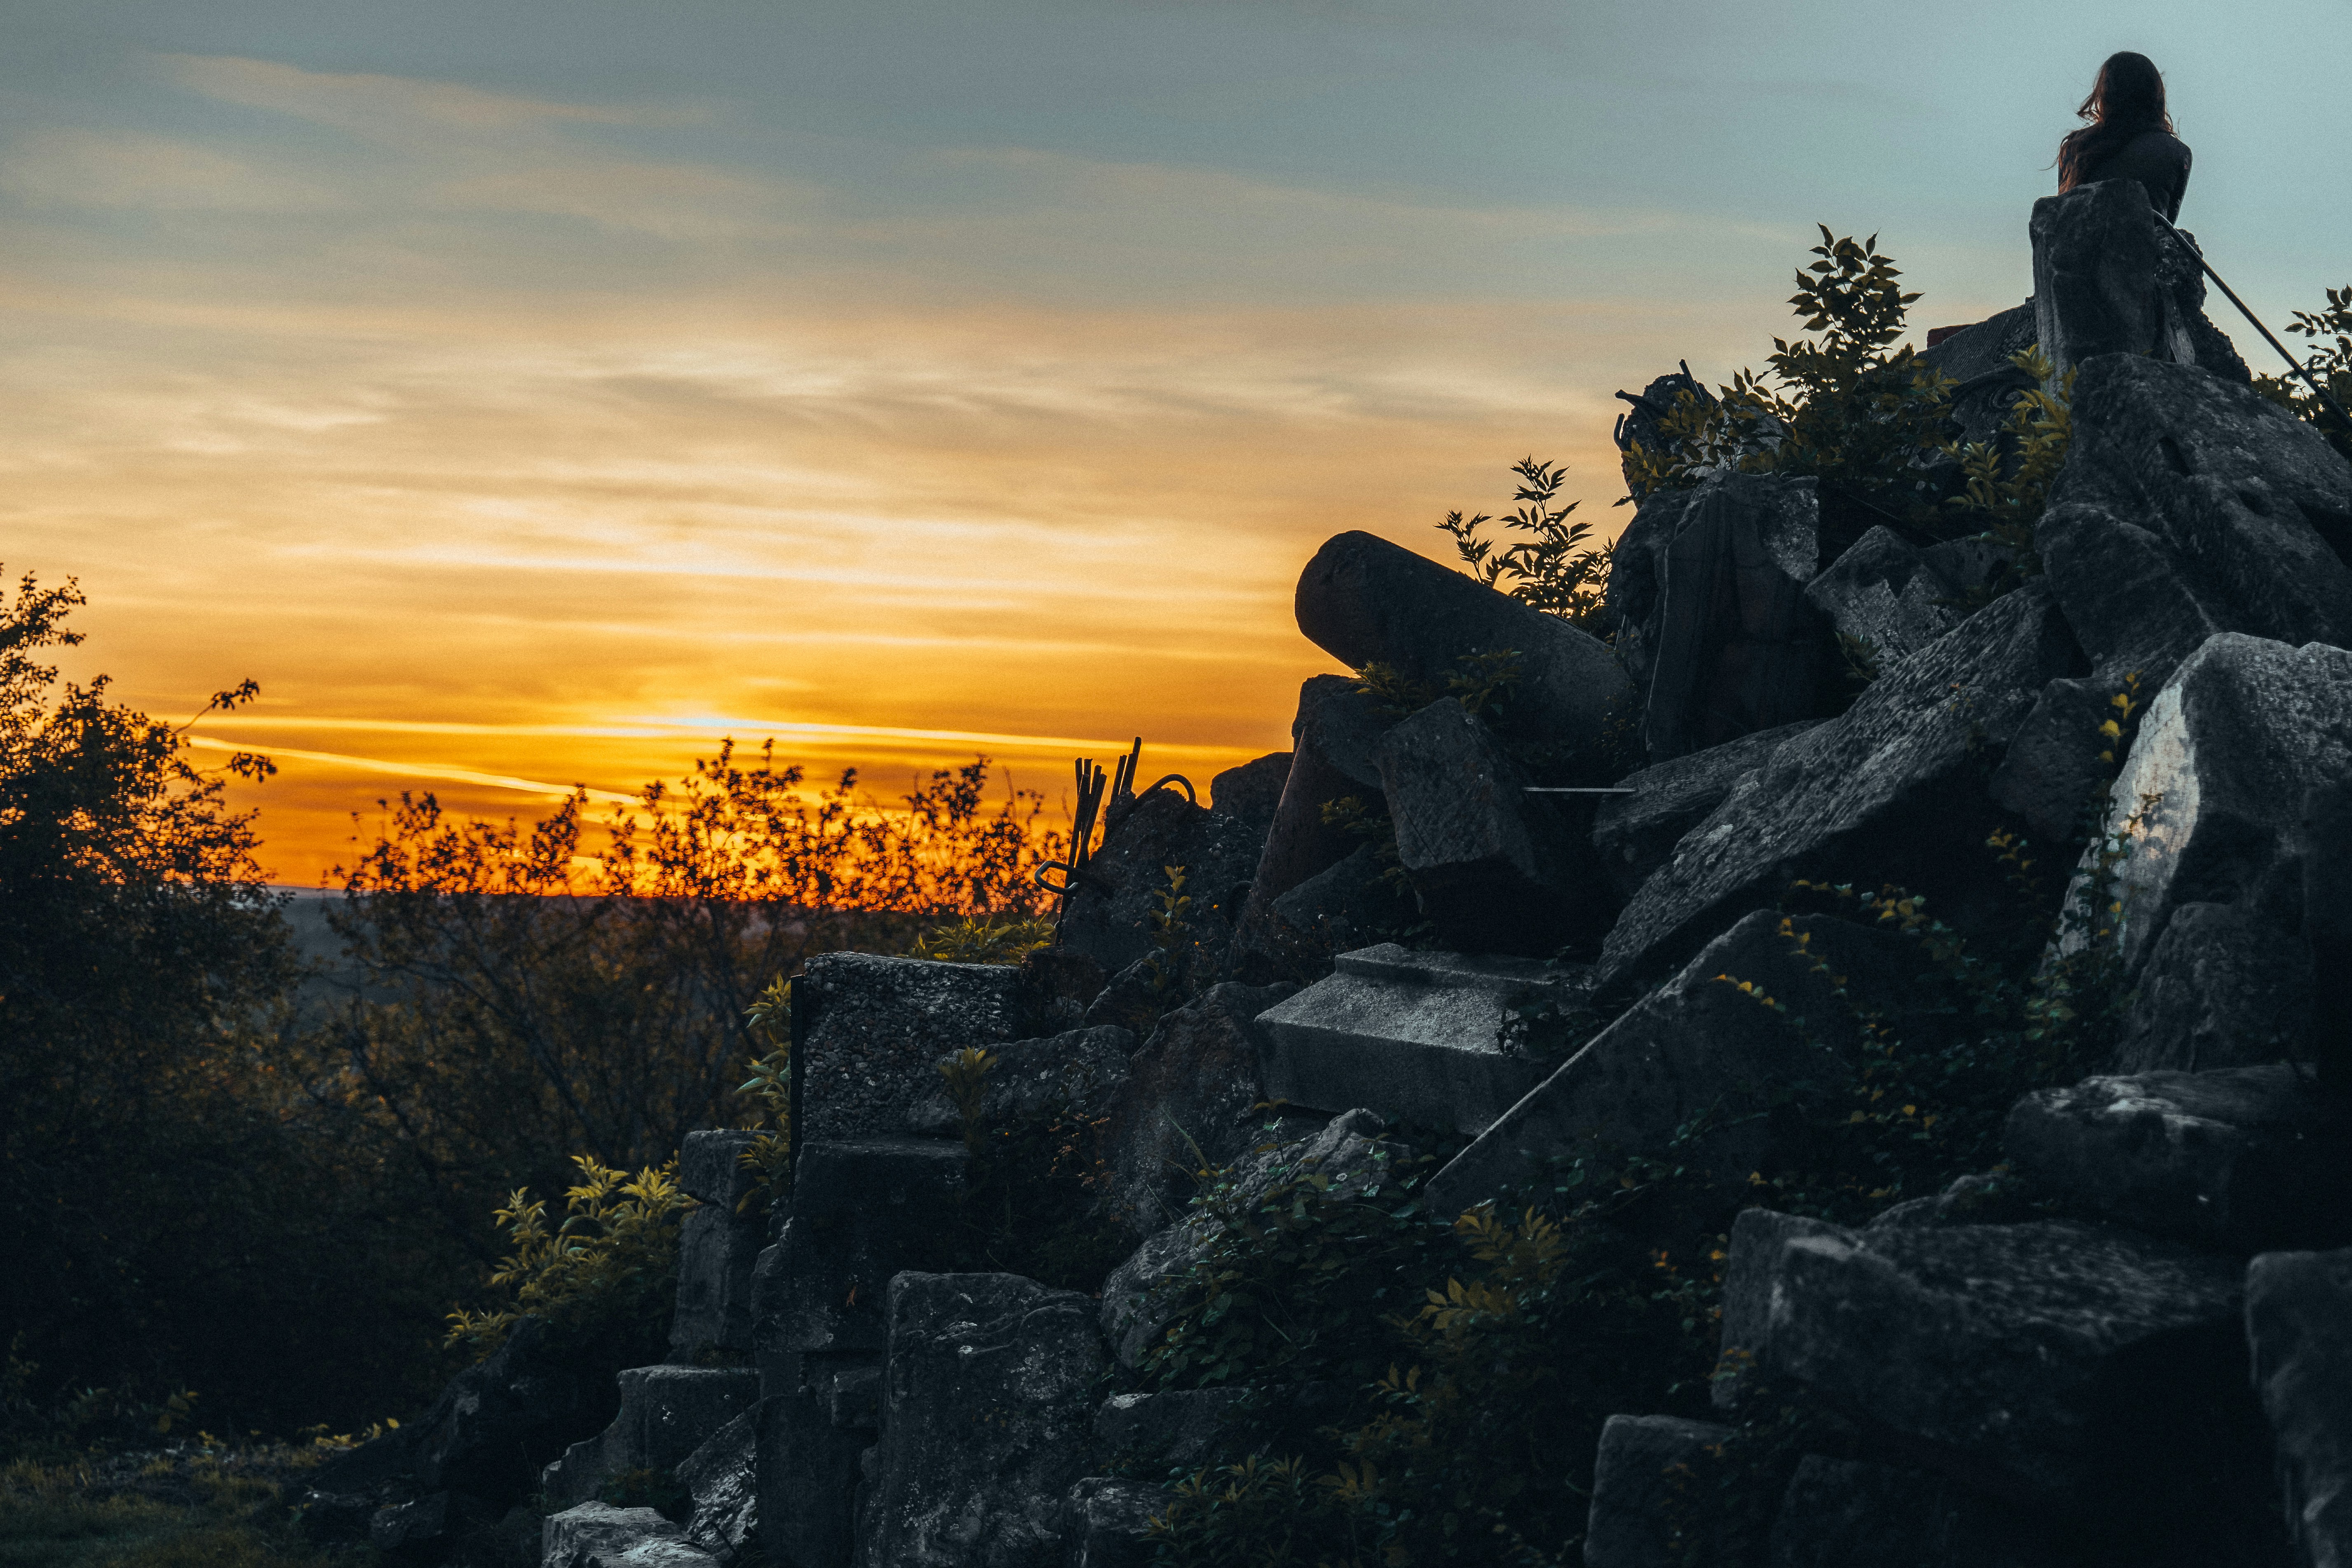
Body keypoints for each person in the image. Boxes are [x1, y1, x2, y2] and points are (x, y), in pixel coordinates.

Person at [2056, 51, 2191, 221]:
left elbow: (2060, 224)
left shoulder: (2076, 147)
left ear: (2104, 94)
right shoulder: (2176, 152)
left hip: (2082, 247)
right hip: (2141, 247)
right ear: (2156, 95)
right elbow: (2166, 231)